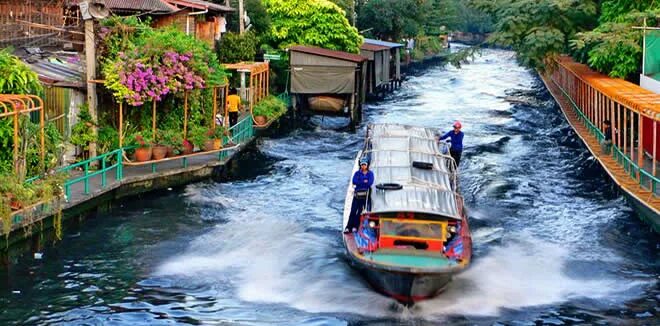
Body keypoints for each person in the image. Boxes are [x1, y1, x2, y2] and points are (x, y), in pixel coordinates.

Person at [345, 158, 374, 233]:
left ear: (367, 165)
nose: (363, 166)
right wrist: (364, 181)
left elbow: (370, 183)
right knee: (353, 211)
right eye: (362, 165)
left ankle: (355, 226)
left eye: (365, 165)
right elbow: (354, 181)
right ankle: (348, 227)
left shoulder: (370, 173)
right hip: (357, 195)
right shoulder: (357, 173)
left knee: (360, 211)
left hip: (365, 196)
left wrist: (361, 182)